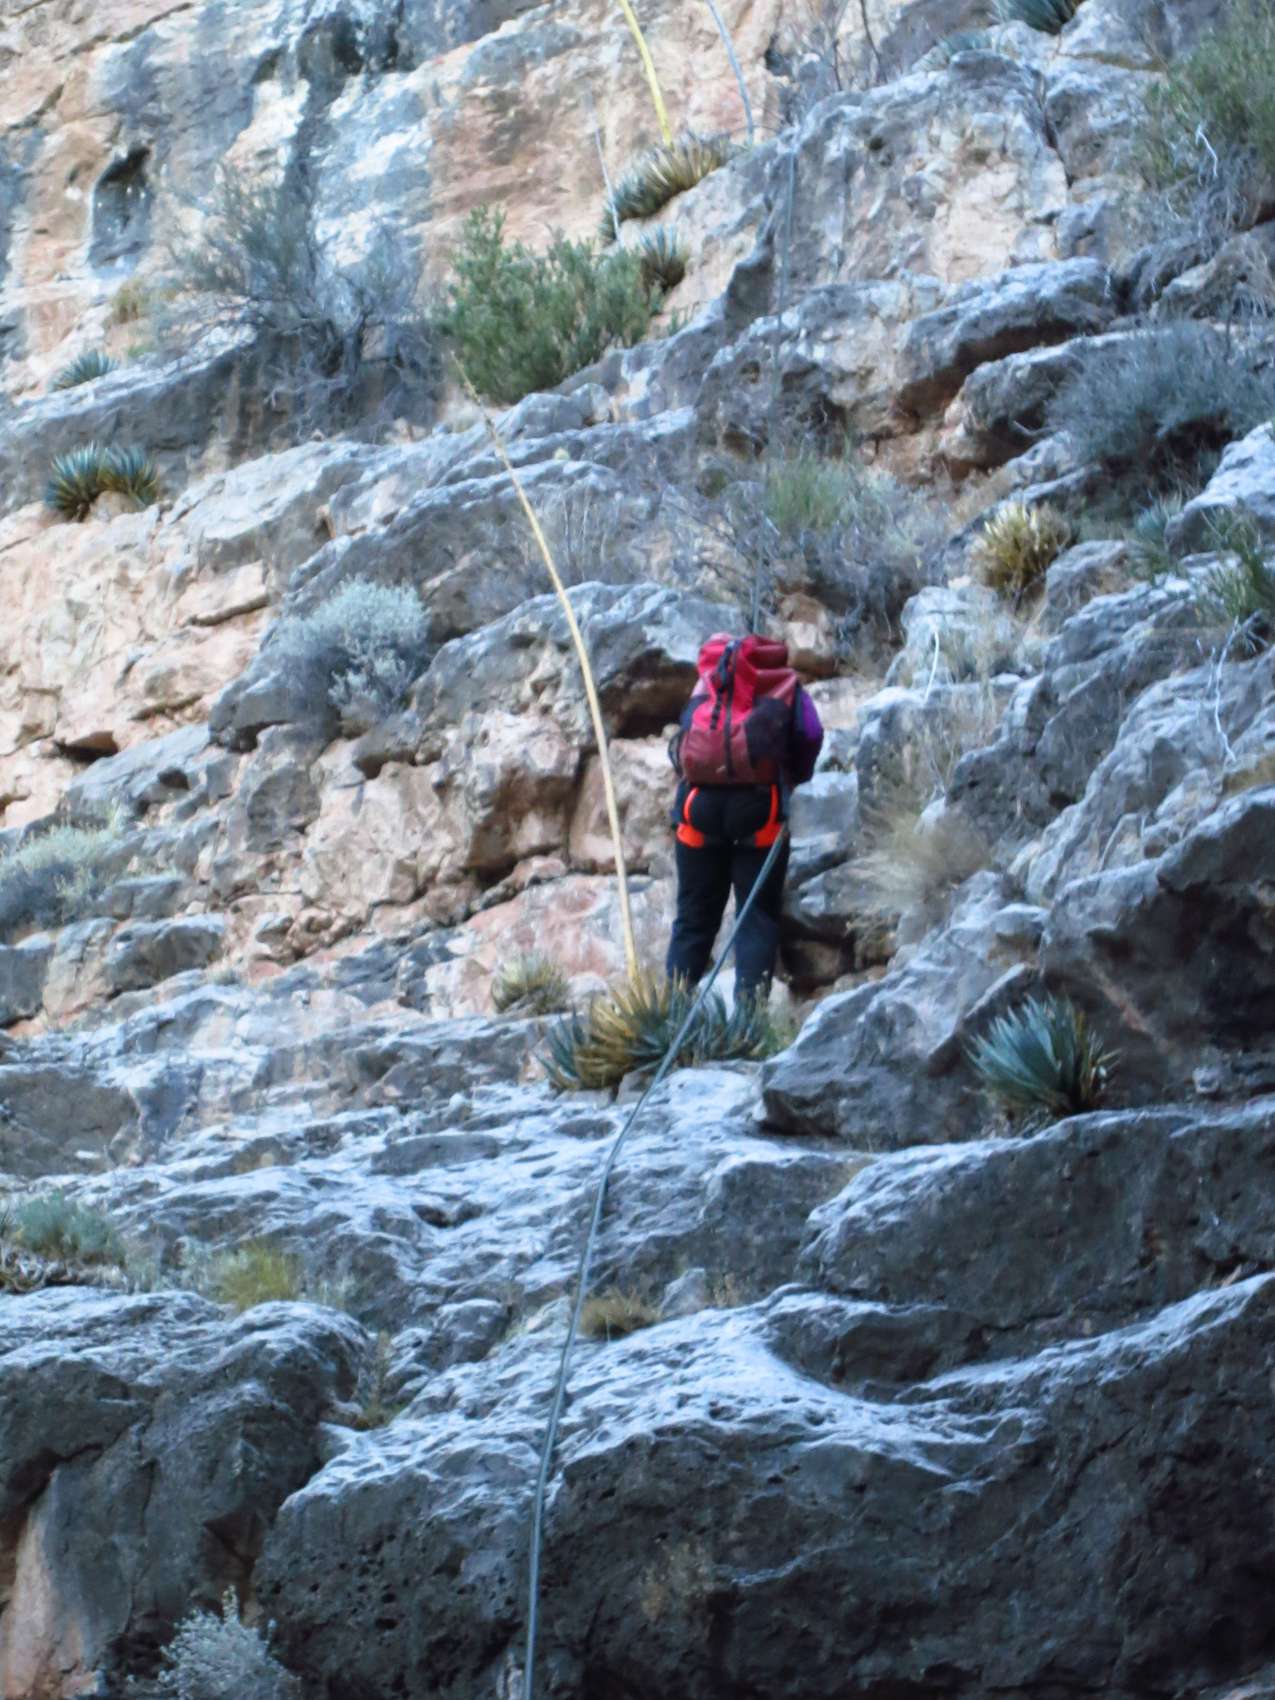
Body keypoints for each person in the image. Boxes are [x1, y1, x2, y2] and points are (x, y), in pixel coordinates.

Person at [665, 632, 824, 1004]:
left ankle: (671, 1017)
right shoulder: (783, 683)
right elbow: (811, 733)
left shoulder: (709, 681)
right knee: (756, 917)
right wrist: (793, 775)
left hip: (698, 808)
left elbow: (685, 741)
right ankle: (748, 1020)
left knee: (693, 920)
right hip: (760, 809)